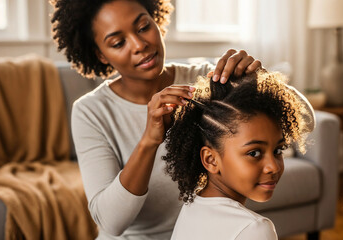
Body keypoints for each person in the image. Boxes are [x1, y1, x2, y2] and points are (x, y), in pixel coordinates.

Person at [50, 0, 263, 239]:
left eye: (143, 27)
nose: (140, 44)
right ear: (101, 54)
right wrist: (149, 141)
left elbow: (303, 121)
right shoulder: (91, 111)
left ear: (155, 19)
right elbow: (111, 222)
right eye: (118, 43)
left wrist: (260, 84)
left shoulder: (204, 82)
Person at [163, 70, 315, 240]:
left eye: (278, 150)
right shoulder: (253, 229)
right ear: (211, 159)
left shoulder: (192, 205)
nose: (273, 166)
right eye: (254, 153)